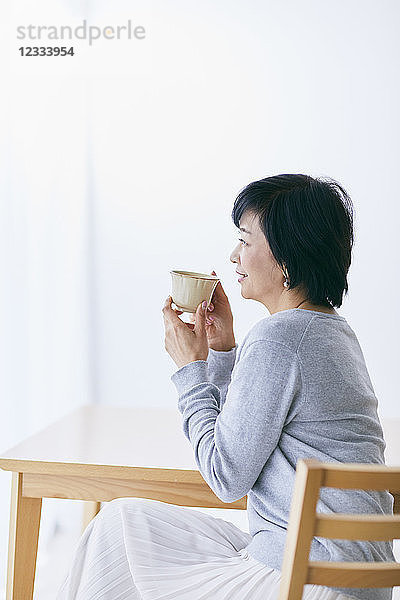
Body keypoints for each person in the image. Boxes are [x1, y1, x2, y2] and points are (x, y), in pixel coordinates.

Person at [56, 174, 394, 600]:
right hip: (340, 574)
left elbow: (225, 475)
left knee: (115, 534)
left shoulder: (280, 338)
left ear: (287, 259)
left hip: (307, 579)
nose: (235, 255)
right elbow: (248, 431)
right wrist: (222, 351)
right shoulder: (330, 332)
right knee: (125, 523)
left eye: (246, 240)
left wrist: (189, 369)